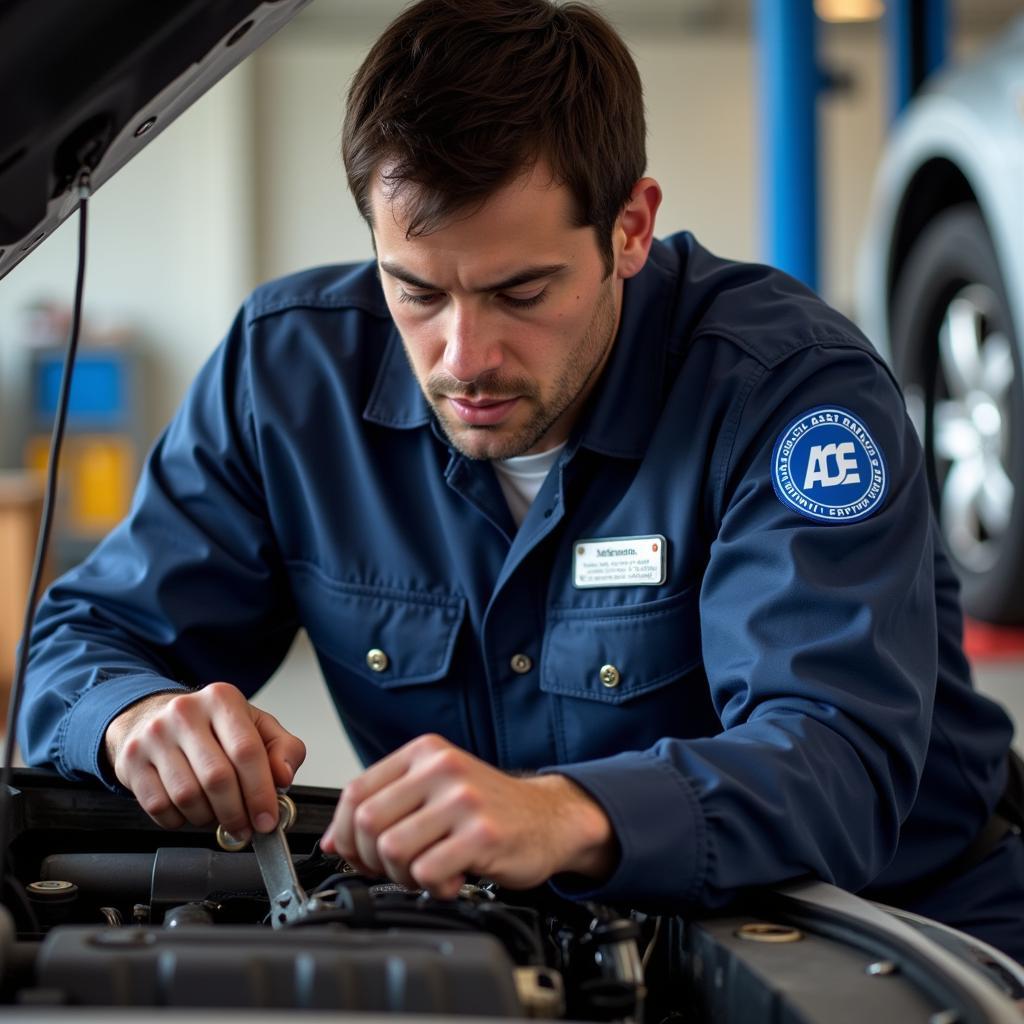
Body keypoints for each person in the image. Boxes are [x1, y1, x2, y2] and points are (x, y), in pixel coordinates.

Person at [20, 0, 1024, 960]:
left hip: (893, 934)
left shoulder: (788, 394)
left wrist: (562, 811)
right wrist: (133, 719)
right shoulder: (284, 380)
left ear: (630, 228)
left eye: (520, 291)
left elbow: (836, 762)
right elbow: (78, 644)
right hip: (535, 943)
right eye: (416, 289)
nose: (464, 356)